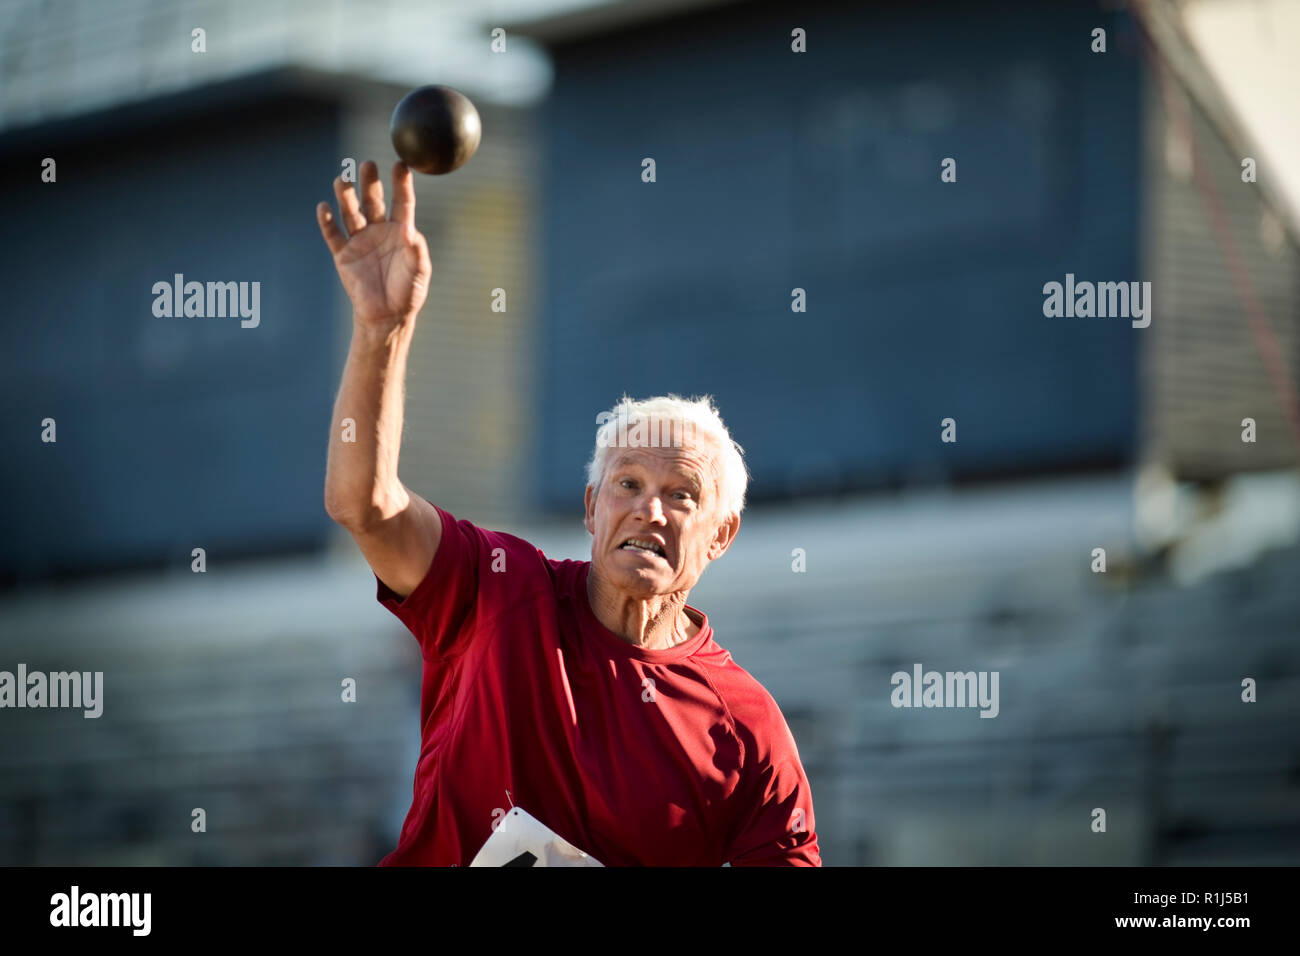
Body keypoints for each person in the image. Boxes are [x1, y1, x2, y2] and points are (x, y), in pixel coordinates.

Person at [317, 161, 820, 866]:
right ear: (591, 506)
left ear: (722, 534)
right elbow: (364, 504)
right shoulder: (499, 587)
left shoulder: (746, 726)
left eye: (682, 495)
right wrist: (382, 329)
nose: (649, 510)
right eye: (628, 484)